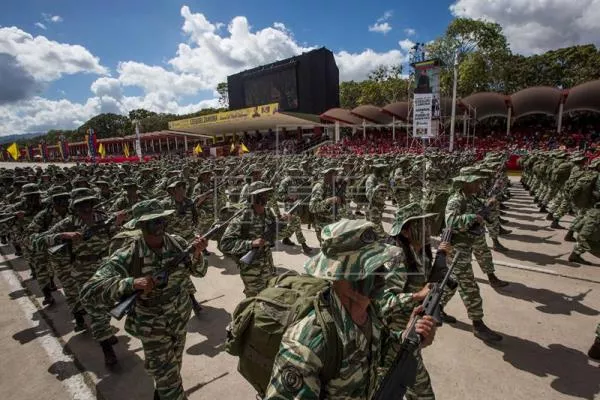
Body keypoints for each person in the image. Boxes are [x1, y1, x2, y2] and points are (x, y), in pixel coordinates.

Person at [265, 219, 437, 399]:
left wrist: (408, 338)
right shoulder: (307, 344)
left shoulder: (370, 310)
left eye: (380, 265)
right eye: (369, 268)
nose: (381, 275)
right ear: (338, 274)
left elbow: (381, 349)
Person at [81, 199, 208, 400]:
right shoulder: (129, 254)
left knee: (173, 367)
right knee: (170, 382)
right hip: (152, 325)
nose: (160, 226)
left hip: (179, 318)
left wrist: (199, 254)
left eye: (162, 221)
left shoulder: (178, 244)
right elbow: (89, 290)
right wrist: (131, 283)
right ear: (141, 225)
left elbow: (200, 273)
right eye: (153, 222)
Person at [377, 203, 450, 400]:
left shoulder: (421, 251)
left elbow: (428, 282)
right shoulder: (397, 258)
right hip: (395, 336)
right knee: (415, 390)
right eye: (422, 224)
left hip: (411, 331)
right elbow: (382, 303)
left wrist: (442, 257)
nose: (428, 228)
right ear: (407, 231)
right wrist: (417, 296)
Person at [441, 174, 503, 342]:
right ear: (465, 183)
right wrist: (473, 217)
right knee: (470, 287)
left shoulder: (472, 198)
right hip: (457, 250)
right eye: (475, 181)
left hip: (467, 245)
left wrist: (489, 207)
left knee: (453, 282)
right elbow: (450, 221)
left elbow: (484, 215)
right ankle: (478, 324)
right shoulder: (456, 200)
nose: (479, 184)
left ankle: (437, 308)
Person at [220, 181, 288, 297]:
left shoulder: (267, 212)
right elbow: (225, 244)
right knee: (253, 301)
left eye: (266, 194)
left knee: (268, 296)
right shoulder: (243, 217)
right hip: (251, 269)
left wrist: (283, 224)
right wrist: (250, 244)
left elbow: (275, 237)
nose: (266, 197)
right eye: (262, 195)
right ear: (253, 197)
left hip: (268, 265)